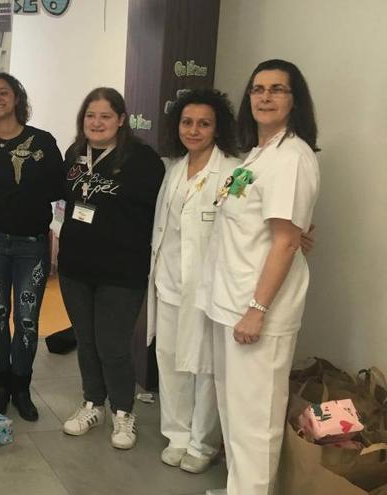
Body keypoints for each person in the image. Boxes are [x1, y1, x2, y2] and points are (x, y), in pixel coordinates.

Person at [197, 60, 320, 495]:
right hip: (230, 301)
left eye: (277, 90)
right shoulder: (258, 154)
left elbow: (286, 243)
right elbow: (270, 226)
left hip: (257, 311)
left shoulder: (291, 157)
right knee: (234, 411)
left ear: (294, 100)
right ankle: (238, 489)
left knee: (255, 421)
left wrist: (257, 309)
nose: (265, 97)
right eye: (257, 89)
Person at [58, 88, 165, 448]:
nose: (97, 122)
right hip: (76, 268)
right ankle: (93, 403)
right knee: (86, 341)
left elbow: (161, 215)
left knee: (113, 345)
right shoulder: (74, 155)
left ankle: (123, 411)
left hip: (121, 271)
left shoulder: (144, 160)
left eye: (106, 116)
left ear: (121, 119)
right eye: (91, 115)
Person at [148, 89, 240, 473]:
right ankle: (177, 434)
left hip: (207, 289)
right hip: (168, 282)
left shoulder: (233, 172)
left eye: (204, 123)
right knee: (170, 361)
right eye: (187, 122)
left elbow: (249, 221)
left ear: (218, 128)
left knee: (205, 366)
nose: (194, 130)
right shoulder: (173, 169)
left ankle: (202, 443)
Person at [0, 73, 64, 421]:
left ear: (17, 98)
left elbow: (59, 190)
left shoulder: (43, 143)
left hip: (30, 246)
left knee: (27, 319)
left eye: (4, 93)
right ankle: (1, 383)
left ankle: (22, 386)